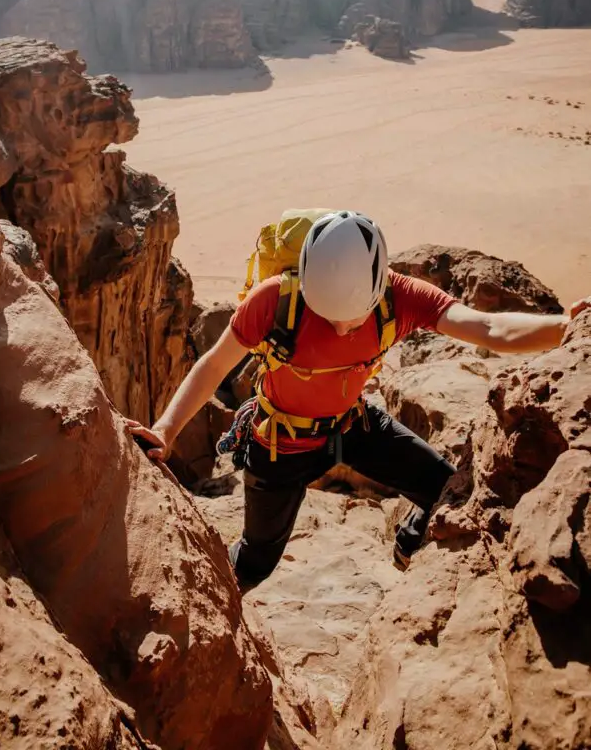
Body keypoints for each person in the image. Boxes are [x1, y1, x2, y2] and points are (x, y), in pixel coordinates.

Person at [125, 211, 590, 592]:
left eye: (354, 318)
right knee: (254, 565)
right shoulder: (275, 301)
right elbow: (213, 365)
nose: (343, 329)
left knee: (444, 489)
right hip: (279, 445)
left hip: (352, 426)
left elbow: (488, 329)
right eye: (329, 318)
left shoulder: (400, 296)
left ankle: (407, 546)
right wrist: (165, 430)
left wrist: (564, 329)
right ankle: (209, 597)